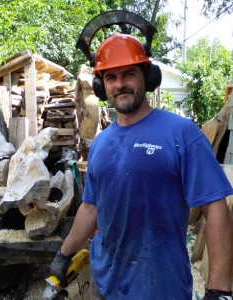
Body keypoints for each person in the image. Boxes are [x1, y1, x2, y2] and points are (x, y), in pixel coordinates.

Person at [50, 33, 233, 300]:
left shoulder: (181, 133)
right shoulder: (101, 143)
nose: (120, 84)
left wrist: (219, 289)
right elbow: (91, 208)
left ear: (146, 77)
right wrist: (64, 254)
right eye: (111, 77)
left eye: (128, 74)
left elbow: (215, 206)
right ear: (102, 86)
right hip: (104, 283)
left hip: (160, 287)